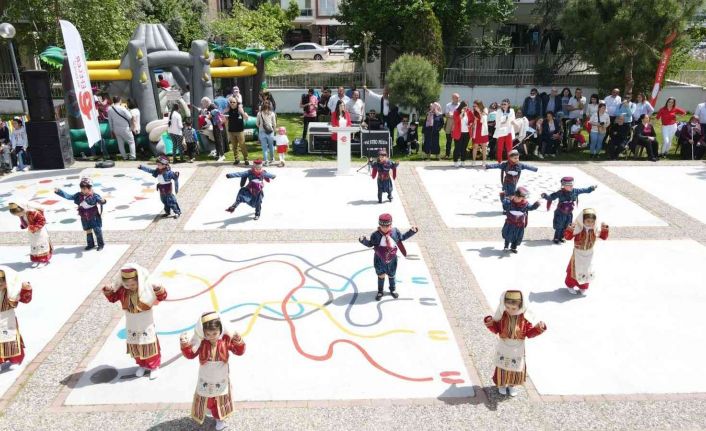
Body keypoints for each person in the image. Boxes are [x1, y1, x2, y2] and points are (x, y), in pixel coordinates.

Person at [180, 312, 245, 431]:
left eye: (215, 333)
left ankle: (219, 419)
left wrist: (238, 340)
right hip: (206, 378)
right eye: (208, 334)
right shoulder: (201, 343)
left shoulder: (225, 341)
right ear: (203, 332)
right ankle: (210, 413)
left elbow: (239, 351)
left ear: (220, 330)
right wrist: (185, 344)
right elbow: (190, 354)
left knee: (219, 400)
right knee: (208, 400)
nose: (212, 337)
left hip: (221, 379)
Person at [102, 264, 167, 379]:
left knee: (148, 342)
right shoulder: (123, 290)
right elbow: (113, 298)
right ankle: (142, 364)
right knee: (135, 343)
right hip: (131, 321)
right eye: (127, 285)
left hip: (145, 320)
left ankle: (154, 366)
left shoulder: (146, 288)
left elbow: (162, 297)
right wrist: (108, 289)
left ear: (138, 281)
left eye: (133, 284)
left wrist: (157, 288)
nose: (130, 287)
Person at [483, 290, 546, 397]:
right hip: (504, 345)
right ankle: (502, 384)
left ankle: (512, 385)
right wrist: (490, 322)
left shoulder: (525, 318)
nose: (510, 310)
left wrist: (538, 329)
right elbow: (496, 329)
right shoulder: (502, 315)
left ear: (520, 306)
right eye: (507, 307)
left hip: (518, 347)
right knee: (502, 365)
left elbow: (529, 333)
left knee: (516, 366)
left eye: (513, 308)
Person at [358, 213, 418, 301]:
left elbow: (402, 237)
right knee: (380, 275)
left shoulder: (395, 232)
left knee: (392, 275)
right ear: (379, 225)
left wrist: (411, 231)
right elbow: (370, 244)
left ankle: (392, 289)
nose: (385, 228)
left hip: (392, 259)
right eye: (382, 226)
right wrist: (363, 240)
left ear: (391, 224)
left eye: (387, 226)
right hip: (379, 259)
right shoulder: (375, 235)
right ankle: (380, 291)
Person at [564, 208, 609, 295]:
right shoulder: (578, 229)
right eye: (588, 221)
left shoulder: (594, 230)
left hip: (589, 254)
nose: (590, 223)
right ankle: (570, 285)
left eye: (592, 221)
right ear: (583, 220)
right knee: (574, 270)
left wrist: (604, 229)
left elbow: (603, 237)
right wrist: (570, 229)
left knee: (586, 270)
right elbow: (567, 237)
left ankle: (583, 286)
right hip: (578, 254)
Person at [54, 177, 107, 251]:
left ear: (89, 188)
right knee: (88, 230)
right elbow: (69, 197)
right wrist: (59, 191)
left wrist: (103, 201)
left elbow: (101, 201)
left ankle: (101, 244)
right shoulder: (78, 195)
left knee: (97, 230)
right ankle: (90, 244)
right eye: (82, 188)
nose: (83, 190)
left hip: (93, 215)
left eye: (85, 188)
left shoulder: (94, 195)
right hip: (84, 215)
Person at [541, 177, 597, 244]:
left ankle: (561, 237)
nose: (571, 186)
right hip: (560, 213)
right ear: (564, 186)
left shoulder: (575, 191)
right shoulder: (560, 192)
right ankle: (556, 238)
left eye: (572, 185)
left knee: (566, 226)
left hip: (569, 213)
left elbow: (585, 190)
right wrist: (545, 196)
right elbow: (551, 197)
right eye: (568, 185)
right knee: (559, 226)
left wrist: (591, 188)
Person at [0, 266, 32, 371]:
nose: (0, 283)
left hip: (7, 318)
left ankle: (15, 360)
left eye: (2, 280)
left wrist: (26, 289)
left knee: (10, 339)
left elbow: (25, 299)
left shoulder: (12, 291)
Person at [8, 202, 52, 266]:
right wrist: (23, 224)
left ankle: (43, 260)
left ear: (22, 209)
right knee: (34, 246)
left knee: (41, 246)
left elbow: (42, 221)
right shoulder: (22, 215)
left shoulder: (33, 212)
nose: (18, 215)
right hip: (32, 233)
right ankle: (37, 260)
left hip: (40, 232)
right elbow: (25, 223)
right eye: (16, 215)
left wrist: (33, 227)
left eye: (18, 214)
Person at [500, 187, 540, 253]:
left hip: (519, 225)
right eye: (515, 196)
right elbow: (504, 201)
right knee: (508, 235)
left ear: (523, 198)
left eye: (518, 198)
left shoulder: (525, 205)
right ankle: (506, 246)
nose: (516, 198)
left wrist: (536, 205)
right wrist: (502, 196)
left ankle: (513, 247)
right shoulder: (510, 202)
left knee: (517, 237)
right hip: (510, 223)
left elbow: (531, 208)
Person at [226, 97, 249, 166]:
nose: (232, 103)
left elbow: (246, 118)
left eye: (234, 102)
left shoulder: (240, 109)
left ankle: (246, 159)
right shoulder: (228, 110)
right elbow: (223, 116)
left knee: (242, 145)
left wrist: (243, 113)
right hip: (231, 131)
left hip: (239, 131)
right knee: (234, 146)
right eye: (231, 102)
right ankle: (237, 159)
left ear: (237, 103)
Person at [256, 101, 277, 167]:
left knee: (264, 147)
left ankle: (266, 161)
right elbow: (274, 124)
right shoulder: (272, 113)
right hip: (270, 131)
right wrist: (274, 130)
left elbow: (257, 123)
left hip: (262, 132)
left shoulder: (259, 113)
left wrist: (261, 127)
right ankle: (272, 158)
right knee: (271, 146)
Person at [451, 101, 472, 167]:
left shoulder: (469, 112)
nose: (466, 109)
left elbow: (472, 119)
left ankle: (463, 161)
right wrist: (461, 113)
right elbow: (456, 121)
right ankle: (455, 161)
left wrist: (470, 123)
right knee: (457, 148)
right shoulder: (456, 112)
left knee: (464, 148)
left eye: (466, 107)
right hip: (458, 133)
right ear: (461, 107)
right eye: (464, 108)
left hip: (467, 133)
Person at [471, 100, 490, 166]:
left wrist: (479, 111)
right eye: (473, 106)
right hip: (476, 130)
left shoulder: (485, 109)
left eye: (475, 106)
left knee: (484, 147)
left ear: (479, 105)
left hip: (483, 130)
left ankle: (484, 161)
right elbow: (472, 121)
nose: (474, 107)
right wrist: (474, 121)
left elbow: (484, 119)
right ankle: (473, 161)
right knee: (475, 147)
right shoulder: (473, 112)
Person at [444, 93, 461, 158]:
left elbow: (461, 115)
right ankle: (447, 154)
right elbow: (447, 114)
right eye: (456, 98)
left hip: (457, 125)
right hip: (449, 124)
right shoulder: (448, 105)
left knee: (457, 141)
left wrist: (452, 115)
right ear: (452, 98)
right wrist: (455, 115)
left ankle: (457, 154)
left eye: (458, 98)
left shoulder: (460, 105)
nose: (458, 99)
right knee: (449, 140)